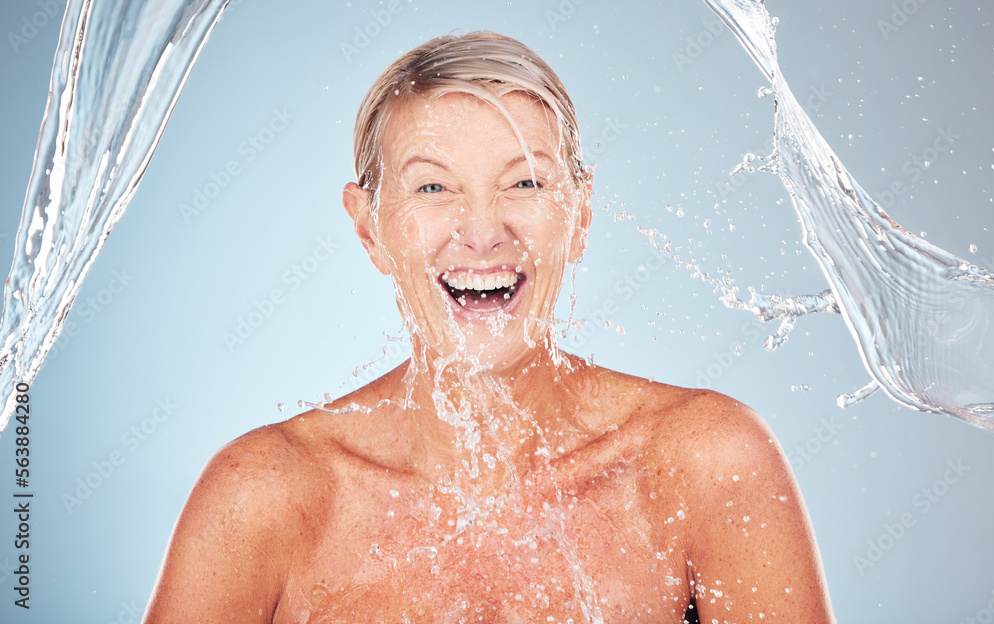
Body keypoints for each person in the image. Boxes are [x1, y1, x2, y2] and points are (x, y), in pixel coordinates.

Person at [143, 30, 836, 624]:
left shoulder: (702, 464)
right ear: (369, 228)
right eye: (433, 187)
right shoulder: (265, 498)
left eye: (525, 183)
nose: (481, 232)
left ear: (580, 214)